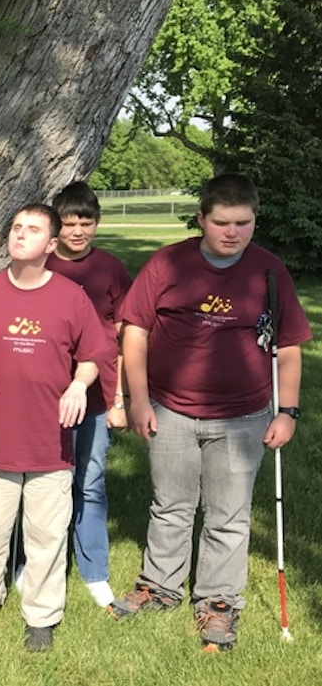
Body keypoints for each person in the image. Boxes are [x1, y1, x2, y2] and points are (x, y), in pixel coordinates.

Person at [108, 173, 312, 652]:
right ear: (201, 218)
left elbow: (289, 345)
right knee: (171, 505)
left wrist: (288, 412)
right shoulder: (167, 263)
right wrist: (136, 400)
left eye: (243, 222)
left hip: (243, 417)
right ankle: (158, 587)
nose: (232, 232)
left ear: (255, 219)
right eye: (221, 222)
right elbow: (134, 331)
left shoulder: (269, 270)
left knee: (228, 515)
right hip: (171, 409)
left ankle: (218, 603)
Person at [0, 203, 111, 651]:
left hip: (50, 440)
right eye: (15, 227)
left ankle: (41, 614)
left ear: (51, 244)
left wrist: (78, 386)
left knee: (45, 534)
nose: (20, 235)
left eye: (32, 229)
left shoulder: (71, 296)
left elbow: (92, 358)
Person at [44, 182, 133, 608]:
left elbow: (124, 334)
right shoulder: (41, 265)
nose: (78, 231)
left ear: (96, 222)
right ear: (55, 226)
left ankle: (94, 569)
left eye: (86, 222)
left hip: (97, 396)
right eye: (69, 223)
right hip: (45, 395)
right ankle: (37, 564)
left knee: (90, 482)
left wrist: (119, 401)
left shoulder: (112, 269)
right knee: (44, 482)